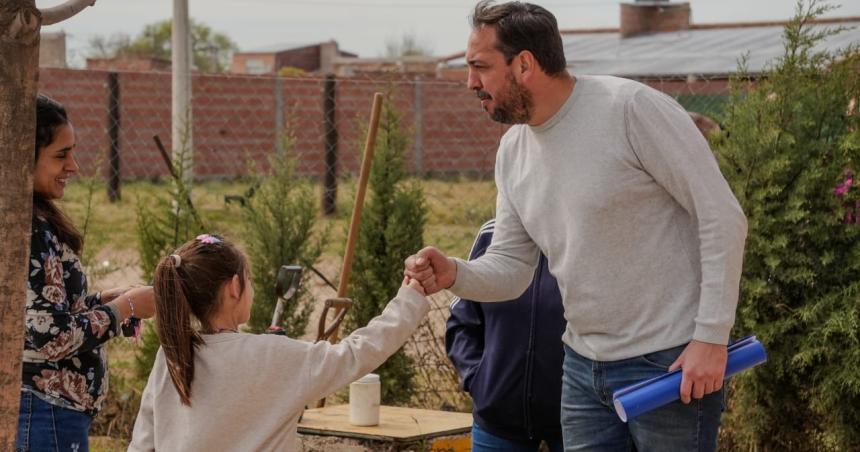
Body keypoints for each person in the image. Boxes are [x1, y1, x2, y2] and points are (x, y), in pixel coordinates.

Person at [405, 1, 748, 450]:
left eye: (480, 67)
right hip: (582, 368)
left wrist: (711, 338)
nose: (471, 82)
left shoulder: (631, 110)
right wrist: (455, 273)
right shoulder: (513, 151)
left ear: (524, 63)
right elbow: (512, 266)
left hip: (670, 363)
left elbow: (721, 216)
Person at [127, 234, 429, 451]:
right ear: (235, 287)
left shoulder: (170, 358)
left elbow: (142, 444)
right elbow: (356, 353)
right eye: (250, 280)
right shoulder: (274, 356)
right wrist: (410, 297)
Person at [17, 94, 156, 452]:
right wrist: (124, 308)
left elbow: (40, 316)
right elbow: (50, 338)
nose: (74, 166)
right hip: (44, 415)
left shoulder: (34, 221)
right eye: (61, 155)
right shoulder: (29, 231)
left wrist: (101, 301)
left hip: (49, 414)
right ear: (22, 156)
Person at [446, 219, 565, 451]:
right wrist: (478, 379)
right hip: (497, 422)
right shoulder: (492, 234)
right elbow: (462, 320)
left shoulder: (586, 235)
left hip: (579, 420)